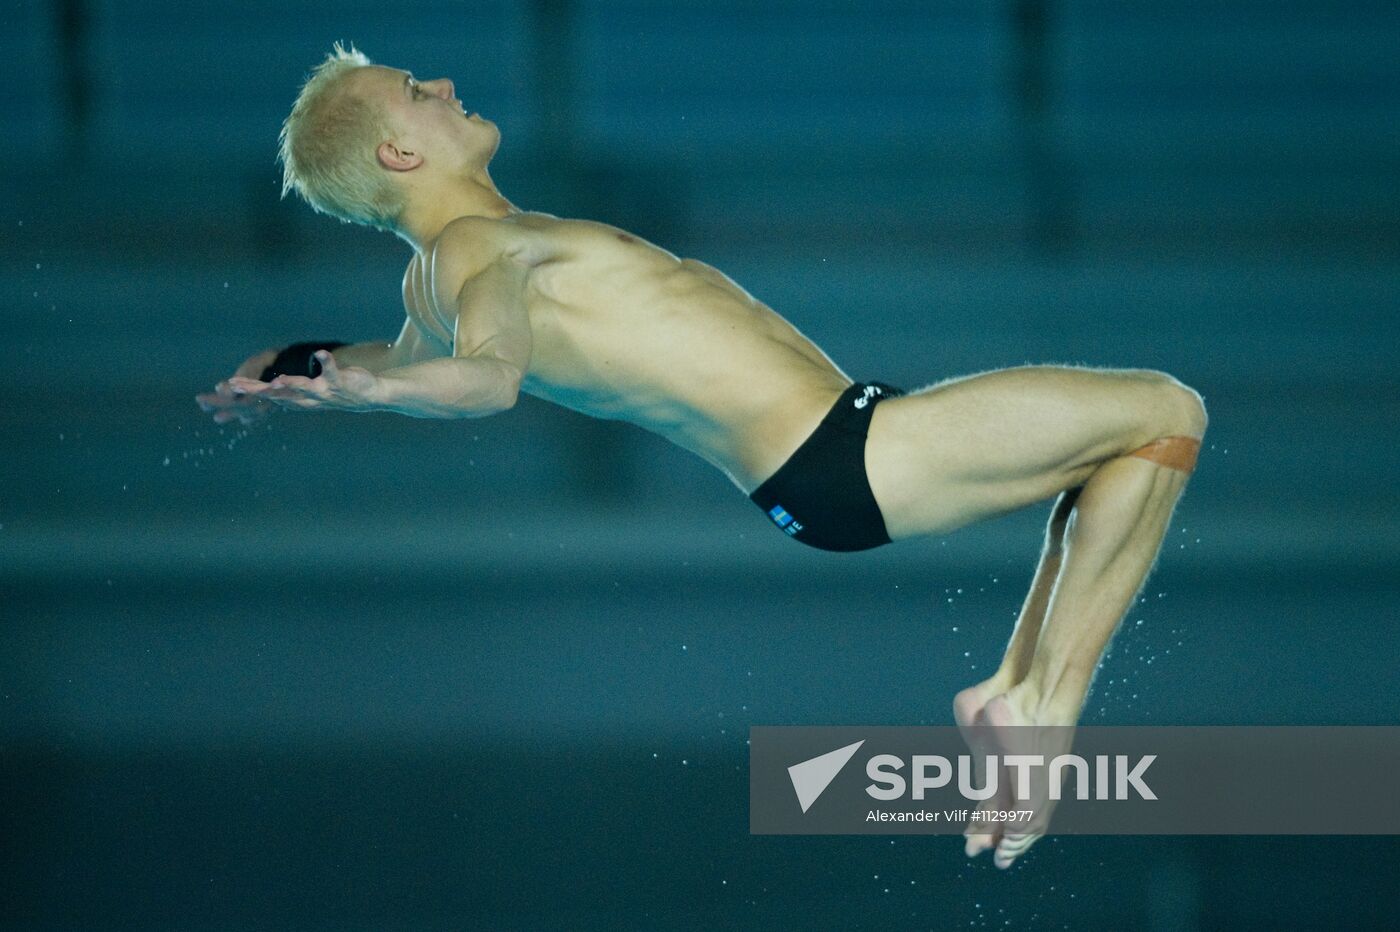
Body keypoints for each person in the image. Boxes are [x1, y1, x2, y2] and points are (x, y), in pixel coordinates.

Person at [196, 44, 1207, 868]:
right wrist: (380, 390)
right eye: (418, 93)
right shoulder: (472, 248)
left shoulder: (436, 278)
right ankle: (1040, 704)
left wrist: (283, 368)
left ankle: (1014, 689)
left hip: (828, 464)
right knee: (1163, 409)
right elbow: (487, 375)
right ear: (398, 155)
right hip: (848, 452)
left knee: (1117, 450)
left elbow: (389, 356)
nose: (446, 84)